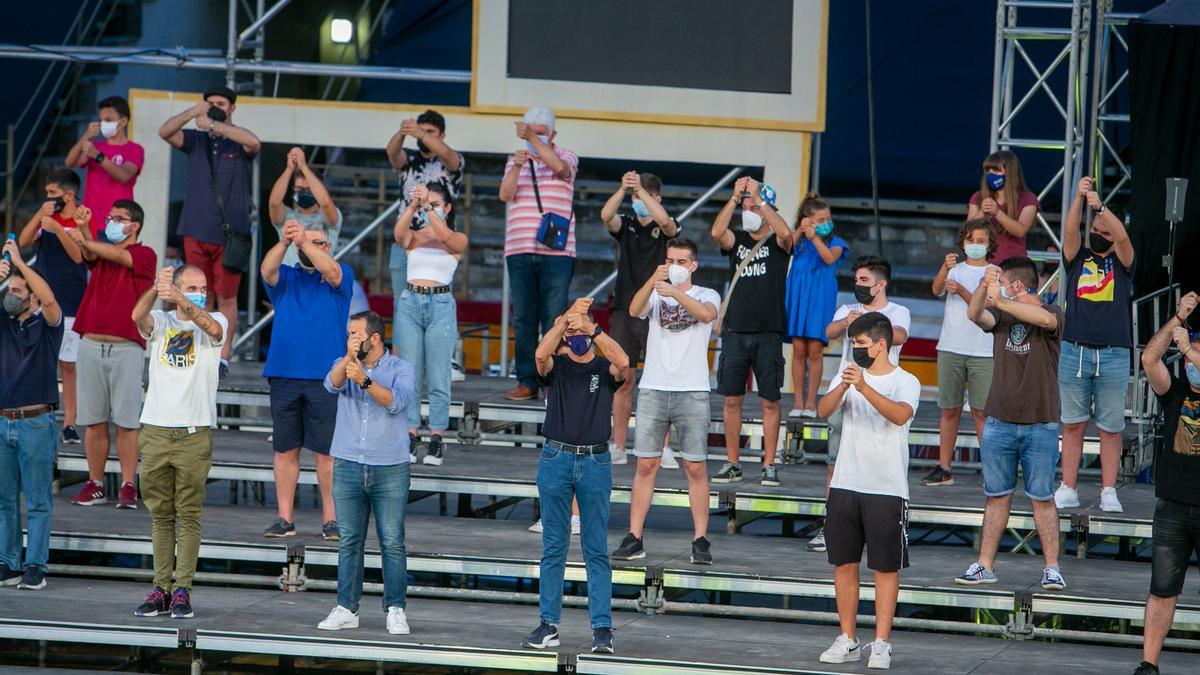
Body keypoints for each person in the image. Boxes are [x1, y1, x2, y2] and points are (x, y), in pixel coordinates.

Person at [522, 298, 628, 655]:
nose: (574, 335)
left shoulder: (603, 364)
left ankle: (602, 629)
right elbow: (539, 356)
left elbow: (624, 363)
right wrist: (563, 323)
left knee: (596, 549)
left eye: (578, 329)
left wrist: (592, 327)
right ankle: (548, 624)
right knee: (554, 547)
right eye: (570, 331)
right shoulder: (557, 366)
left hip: (596, 461)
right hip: (556, 457)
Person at [816, 312, 921, 670]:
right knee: (844, 563)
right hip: (846, 481)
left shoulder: (906, 380)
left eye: (861, 344)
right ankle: (848, 637)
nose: (855, 350)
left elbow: (899, 415)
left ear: (881, 344)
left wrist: (863, 387)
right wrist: (845, 386)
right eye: (852, 343)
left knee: (885, 567)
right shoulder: (847, 374)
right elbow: (823, 411)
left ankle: (881, 643)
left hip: (887, 486)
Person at [955, 258, 1067, 592]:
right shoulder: (1001, 314)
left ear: (1016, 285)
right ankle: (984, 565)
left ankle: (1052, 568)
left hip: (1041, 421)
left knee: (1042, 498)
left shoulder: (1054, 312)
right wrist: (980, 286)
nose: (998, 286)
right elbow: (975, 314)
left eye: (1003, 280)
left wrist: (1001, 299)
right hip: (999, 420)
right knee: (996, 496)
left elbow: (1044, 319)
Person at [612, 238, 721, 565]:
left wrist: (676, 293)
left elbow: (707, 316)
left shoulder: (706, 293)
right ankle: (635, 536)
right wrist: (653, 280)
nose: (674, 265)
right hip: (654, 388)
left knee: (695, 466)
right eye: (670, 259)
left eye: (680, 261)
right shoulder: (655, 292)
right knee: (645, 464)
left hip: (692, 389)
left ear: (693, 266)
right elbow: (633, 309)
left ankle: (700, 538)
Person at [131, 265, 227, 619]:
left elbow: (213, 329)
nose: (199, 292)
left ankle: (183, 589)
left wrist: (183, 298)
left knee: (188, 515)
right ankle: (160, 588)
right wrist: (158, 288)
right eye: (191, 286)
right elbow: (136, 316)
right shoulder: (160, 318)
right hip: (155, 429)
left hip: (194, 432)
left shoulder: (213, 317)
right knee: (160, 515)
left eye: (202, 287)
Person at [317, 312, 416, 636]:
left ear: (374, 338)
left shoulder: (401, 368)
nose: (351, 338)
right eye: (349, 333)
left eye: (356, 334)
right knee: (349, 541)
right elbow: (330, 385)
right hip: (347, 462)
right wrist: (348, 357)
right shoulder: (345, 363)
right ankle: (347, 607)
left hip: (390, 466)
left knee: (392, 541)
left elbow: (398, 402)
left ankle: (396, 608)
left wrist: (366, 381)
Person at [807, 256, 910, 553]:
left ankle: (885, 527)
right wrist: (846, 322)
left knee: (884, 464)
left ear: (881, 284)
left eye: (864, 280)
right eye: (856, 280)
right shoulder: (848, 309)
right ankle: (831, 527)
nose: (858, 286)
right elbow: (829, 332)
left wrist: (873, 324)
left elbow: (900, 336)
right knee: (834, 465)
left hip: (883, 395)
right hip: (845, 392)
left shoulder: (898, 311)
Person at [158, 85, 262, 372]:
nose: (215, 106)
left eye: (220, 103)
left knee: (227, 296)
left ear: (232, 108)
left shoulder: (236, 141)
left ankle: (223, 356)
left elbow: (254, 142)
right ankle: (199, 347)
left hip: (231, 235)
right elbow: (164, 131)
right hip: (195, 229)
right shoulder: (196, 140)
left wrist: (215, 124)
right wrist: (193, 112)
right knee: (198, 293)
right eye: (210, 103)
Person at [260, 221, 353, 540]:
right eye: (305, 242)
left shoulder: (341, 274)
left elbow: (334, 273)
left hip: (326, 378)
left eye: (317, 242)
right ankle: (284, 518)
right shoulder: (288, 276)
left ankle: (332, 519)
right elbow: (267, 270)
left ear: (328, 247)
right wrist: (286, 243)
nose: (308, 246)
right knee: (285, 449)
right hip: (284, 372)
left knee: (327, 453)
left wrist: (306, 242)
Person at [65, 200, 158, 508]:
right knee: (93, 420)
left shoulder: (145, 254)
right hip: (91, 344)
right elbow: (90, 254)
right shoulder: (102, 250)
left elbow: (116, 254)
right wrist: (82, 227)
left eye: (120, 218)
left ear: (135, 225)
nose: (113, 222)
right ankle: (95, 483)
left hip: (127, 347)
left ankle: (129, 484)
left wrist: (85, 235)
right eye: (110, 217)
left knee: (127, 423)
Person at [1054, 176, 1135, 513]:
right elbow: (1071, 233)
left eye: (1104, 230)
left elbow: (1123, 237)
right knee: (1072, 423)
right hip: (1075, 349)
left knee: (1111, 427)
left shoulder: (1123, 261)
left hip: (1114, 352)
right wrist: (1078, 198)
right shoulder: (1078, 259)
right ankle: (1068, 486)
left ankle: (1108, 490)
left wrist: (1101, 208)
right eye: (1096, 229)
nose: (1099, 234)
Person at [709, 177, 793, 487]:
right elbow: (717, 233)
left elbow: (785, 233)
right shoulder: (739, 240)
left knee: (770, 400)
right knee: (732, 399)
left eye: (752, 206)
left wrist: (761, 200)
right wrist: (733, 199)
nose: (748, 210)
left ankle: (769, 464)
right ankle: (732, 462)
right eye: (746, 206)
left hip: (769, 331)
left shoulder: (778, 241)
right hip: (735, 330)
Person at [1135, 292, 1200, 675]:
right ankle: (1148, 663)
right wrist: (1177, 319)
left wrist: (1189, 351)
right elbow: (1149, 359)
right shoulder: (1176, 392)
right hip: (1173, 504)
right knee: (1162, 588)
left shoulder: (1191, 360)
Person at [499, 107, 579, 401]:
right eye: (531, 133)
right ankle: (527, 380)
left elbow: (562, 170)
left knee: (554, 318)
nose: (533, 139)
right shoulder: (514, 160)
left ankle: (553, 381)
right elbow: (505, 195)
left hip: (557, 254)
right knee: (523, 319)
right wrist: (518, 166)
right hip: (519, 250)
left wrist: (533, 137)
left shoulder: (567, 155)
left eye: (541, 133)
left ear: (553, 134)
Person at [599, 171, 679, 464]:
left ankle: (665, 447)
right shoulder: (628, 223)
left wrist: (642, 193)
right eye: (635, 197)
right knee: (623, 377)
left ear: (656, 198)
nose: (638, 201)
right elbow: (606, 215)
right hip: (623, 308)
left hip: (657, 309)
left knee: (659, 380)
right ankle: (618, 445)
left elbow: (669, 225)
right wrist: (623, 190)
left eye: (643, 196)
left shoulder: (665, 224)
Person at [0, 238, 63, 591]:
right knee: (3, 500)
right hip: (2, 421)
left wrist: (22, 265)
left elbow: (51, 301)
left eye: (20, 289)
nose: (12, 293)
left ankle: (35, 565)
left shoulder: (48, 327)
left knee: (38, 500)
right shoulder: (3, 321)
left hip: (35, 422)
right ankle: (8, 563)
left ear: (32, 296)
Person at [393, 183, 467, 466]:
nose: (431, 207)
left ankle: (436, 437)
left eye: (438, 204)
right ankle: (410, 434)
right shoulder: (415, 236)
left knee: (438, 374)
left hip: (440, 304)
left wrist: (427, 208)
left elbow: (446, 236)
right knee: (409, 373)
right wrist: (413, 205)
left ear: (447, 208)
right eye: (429, 203)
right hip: (411, 301)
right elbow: (398, 234)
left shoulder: (456, 238)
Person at [922, 219, 996, 487]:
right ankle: (944, 468)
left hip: (983, 350)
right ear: (963, 241)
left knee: (981, 412)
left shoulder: (994, 272)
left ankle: (992, 471)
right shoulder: (955, 269)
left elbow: (986, 308)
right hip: (951, 346)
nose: (975, 245)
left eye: (980, 241)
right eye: (971, 240)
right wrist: (945, 267)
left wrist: (964, 291)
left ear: (989, 244)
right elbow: (936, 289)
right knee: (949, 410)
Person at [17, 170, 86, 445]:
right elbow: (23, 242)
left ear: (68, 195)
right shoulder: (45, 218)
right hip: (40, 298)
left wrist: (58, 229)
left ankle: (70, 422)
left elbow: (80, 256)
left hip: (70, 298)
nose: (49, 198)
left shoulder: (81, 217)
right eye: (47, 194)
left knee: (68, 364)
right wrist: (40, 216)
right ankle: (35, 412)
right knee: (34, 357)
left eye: (53, 194)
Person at [385, 109, 464, 315]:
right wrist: (402, 133)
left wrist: (420, 133)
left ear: (442, 136)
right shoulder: (409, 158)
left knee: (438, 301)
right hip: (406, 241)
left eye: (431, 131)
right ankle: (403, 347)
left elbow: (449, 156)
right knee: (401, 303)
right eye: (422, 130)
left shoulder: (451, 159)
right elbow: (392, 154)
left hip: (440, 243)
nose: (425, 135)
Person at [785, 192, 849, 419]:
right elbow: (785, 246)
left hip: (819, 299)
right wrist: (801, 231)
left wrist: (815, 237)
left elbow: (829, 259)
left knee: (815, 348)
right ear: (807, 218)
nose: (826, 223)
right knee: (799, 348)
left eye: (828, 219)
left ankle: (811, 403)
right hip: (799, 298)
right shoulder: (800, 241)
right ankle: (798, 401)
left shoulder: (835, 242)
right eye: (820, 220)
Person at [66, 95, 144, 236]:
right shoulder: (95, 146)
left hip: (118, 223)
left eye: (108, 120)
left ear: (124, 121)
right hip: (90, 220)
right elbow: (70, 162)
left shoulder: (135, 149)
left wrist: (98, 156)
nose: (103, 124)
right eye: (101, 120)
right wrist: (86, 136)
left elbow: (124, 176)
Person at [269, 147, 343, 267]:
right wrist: (289, 169)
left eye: (308, 190)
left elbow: (325, 203)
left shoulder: (331, 216)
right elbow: (274, 203)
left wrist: (304, 167)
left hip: (320, 278)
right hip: (291, 278)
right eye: (299, 189)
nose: (303, 193)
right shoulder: (286, 217)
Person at [966, 150, 1039, 262]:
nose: (990, 174)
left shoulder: (1028, 198)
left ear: (1010, 172)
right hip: (981, 265)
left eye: (996, 170)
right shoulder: (977, 197)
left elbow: (1020, 231)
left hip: (1013, 266)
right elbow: (967, 231)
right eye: (988, 170)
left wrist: (997, 213)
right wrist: (981, 213)